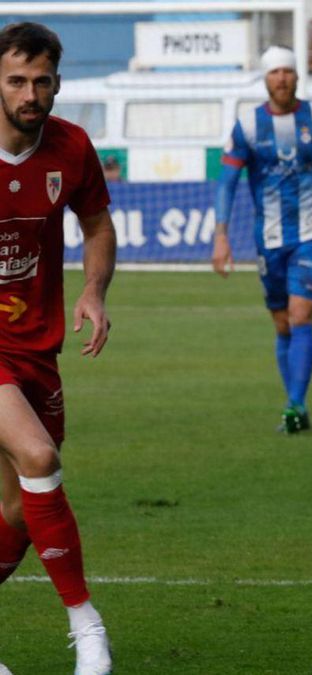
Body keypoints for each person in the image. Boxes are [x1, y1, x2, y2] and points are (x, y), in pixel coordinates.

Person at [0, 22, 115, 675]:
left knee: (17, 510)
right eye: (16, 80)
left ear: (57, 82)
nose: (30, 93)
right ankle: (88, 626)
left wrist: (94, 291)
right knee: (38, 454)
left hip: (34, 346)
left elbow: (97, 223)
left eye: (42, 81)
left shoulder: (71, 147)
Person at [212, 46, 312, 433]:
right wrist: (221, 236)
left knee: (301, 315)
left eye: (287, 72)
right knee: (282, 323)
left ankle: (295, 405)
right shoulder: (246, 126)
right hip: (270, 238)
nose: (281, 78)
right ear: (265, 79)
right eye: (274, 72)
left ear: (298, 77)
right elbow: (227, 184)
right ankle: (297, 402)